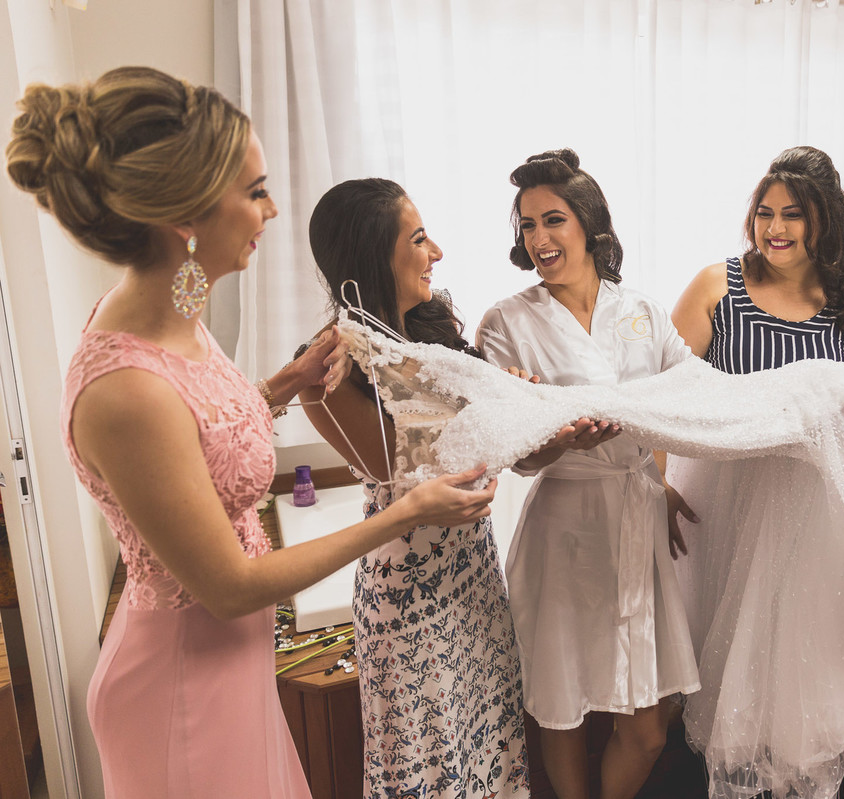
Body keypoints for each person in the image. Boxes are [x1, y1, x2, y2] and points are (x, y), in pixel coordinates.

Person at [6, 66, 497, 799]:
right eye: (256, 190)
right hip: (180, 687)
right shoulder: (123, 393)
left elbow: (196, 428)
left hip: (232, 668)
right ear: (187, 214)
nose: (270, 211)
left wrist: (283, 384)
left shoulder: (172, 302)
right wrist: (407, 511)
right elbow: (229, 586)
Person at [475, 149, 700, 799]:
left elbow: (687, 395)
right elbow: (512, 453)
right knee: (563, 704)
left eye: (553, 220)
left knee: (648, 730)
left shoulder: (644, 312)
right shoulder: (506, 323)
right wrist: (557, 441)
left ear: (590, 224)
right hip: (565, 528)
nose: (538, 238)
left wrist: (662, 482)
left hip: (635, 514)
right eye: (527, 225)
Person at [299, 178, 530, 799]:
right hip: (409, 600)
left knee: (491, 752)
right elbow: (399, 469)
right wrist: (491, 409)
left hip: (474, 575)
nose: (437, 253)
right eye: (420, 238)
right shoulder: (330, 369)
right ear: (376, 254)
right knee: (431, 769)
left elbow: (480, 433)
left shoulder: (430, 328)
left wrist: (507, 393)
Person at [666, 145, 844, 798]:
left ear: (825, 221)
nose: (775, 228)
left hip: (810, 500)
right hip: (722, 488)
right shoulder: (717, 286)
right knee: (725, 631)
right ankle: (726, 769)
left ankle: (797, 766)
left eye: (793, 214)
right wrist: (657, 484)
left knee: (800, 639)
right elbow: (661, 392)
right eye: (765, 212)